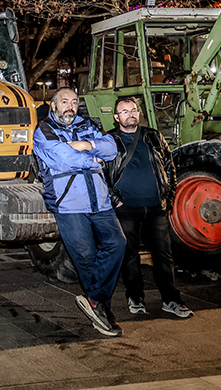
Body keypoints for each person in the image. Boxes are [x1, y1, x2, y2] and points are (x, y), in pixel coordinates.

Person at [33, 87, 126, 337]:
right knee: (86, 257)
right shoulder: (44, 131)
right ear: (53, 106)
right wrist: (91, 158)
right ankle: (102, 309)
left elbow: (111, 148)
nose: (70, 106)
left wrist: (86, 144)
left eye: (74, 102)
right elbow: (61, 158)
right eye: (64, 102)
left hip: (100, 201)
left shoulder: (89, 126)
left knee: (117, 243)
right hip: (69, 204)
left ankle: (94, 300)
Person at [104, 97, 193, 319]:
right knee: (130, 255)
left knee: (163, 255)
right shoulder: (109, 140)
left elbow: (169, 167)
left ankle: (171, 300)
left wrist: (168, 196)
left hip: (155, 207)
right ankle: (135, 297)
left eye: (133, 110)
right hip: (126, 209)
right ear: (116, 117)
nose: (130, 114)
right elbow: (99, 173)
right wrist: (114, 199)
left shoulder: (153, 136)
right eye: (124, 111)